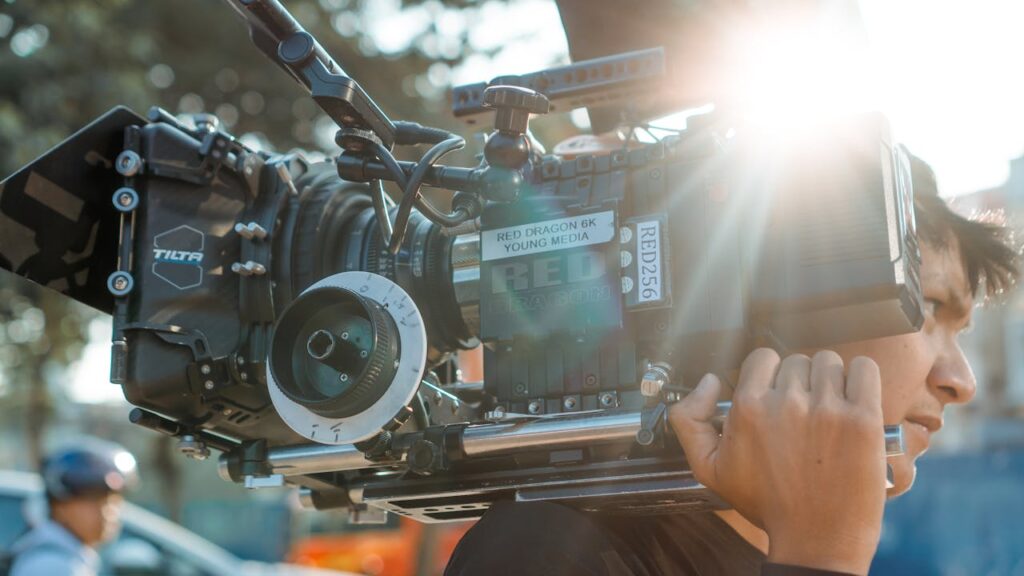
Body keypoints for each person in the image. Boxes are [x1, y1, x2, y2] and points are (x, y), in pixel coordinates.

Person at [445, 152, 1019, 576]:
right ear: (783, 305)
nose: (961, 382)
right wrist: (822, 555)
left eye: (960, 332)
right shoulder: (549, 550)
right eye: (931, 307)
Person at [7, 441, 138, 576]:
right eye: (93, 500)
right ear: (59, 506)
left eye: (112, 501)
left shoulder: (69, 557)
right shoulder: (51, 565)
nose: (107, 511)